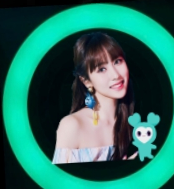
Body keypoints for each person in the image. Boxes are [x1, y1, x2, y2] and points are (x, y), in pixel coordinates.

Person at [53, 32, 138, 163]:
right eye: (102, 69)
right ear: (87, 81)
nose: (115, 75)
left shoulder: (135, 123)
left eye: (117, 61)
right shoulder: (72, 125)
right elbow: (57, 177)